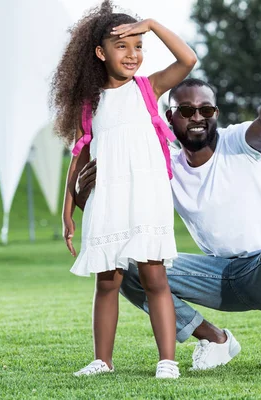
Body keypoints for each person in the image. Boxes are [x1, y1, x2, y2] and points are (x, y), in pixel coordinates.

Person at [72, 78, 261, 372]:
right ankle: (214, 338)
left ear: (215, 114)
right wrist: (83, 193)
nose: (197, 117)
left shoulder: (238, 142)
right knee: (131, 264)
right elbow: (116, 208)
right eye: (186, 110)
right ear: (169, 117)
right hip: (216, 276)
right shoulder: (163, 165)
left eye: (205, 110)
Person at [51, 0, 197, 379]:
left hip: (146, 195)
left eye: (138, 46)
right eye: (122, 46)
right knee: (107, 281)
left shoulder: (148, 89)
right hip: (107, 198)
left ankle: (167, 360)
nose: (133, 54)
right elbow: (80, 155)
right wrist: (67, 208)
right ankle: (103, 359)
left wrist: (152, 24)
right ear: (100, 52)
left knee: (154, 278)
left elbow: (188, 60)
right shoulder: (90, 104)